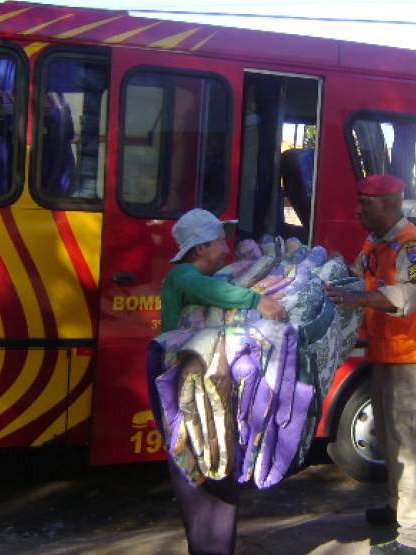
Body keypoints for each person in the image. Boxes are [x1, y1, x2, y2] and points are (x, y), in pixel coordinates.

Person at [159, 208, 286, 555]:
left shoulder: (203, 276)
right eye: (219, 242)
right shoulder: (185, 276)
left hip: (201, 387)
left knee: (213, 468)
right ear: (199, 249)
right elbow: (215, 294)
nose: (226, 249)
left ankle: (213, 547)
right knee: (204, 469)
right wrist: (258, 300)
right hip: (188, 388)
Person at [326, 174, 416, 555]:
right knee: (389, 440)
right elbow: (355, 275)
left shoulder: (411, 247)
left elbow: (410, 294)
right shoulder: (375, 241)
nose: (358, 210)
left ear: (389, 204)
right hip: (386, 356)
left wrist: (359, 299)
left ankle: (415, 536)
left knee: (406, 447)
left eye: (365, 203)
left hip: (409, 359)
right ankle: (397, 509)